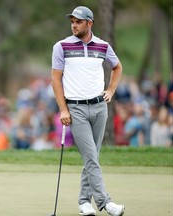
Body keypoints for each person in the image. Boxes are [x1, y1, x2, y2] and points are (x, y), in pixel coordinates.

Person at [51, 6, 124, 216]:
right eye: (72, 21)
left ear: (89, 23)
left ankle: (84, 202)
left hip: (100, 107)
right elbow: (55, 79)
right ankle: (105, 202)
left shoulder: (103, 46)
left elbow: (117, 67)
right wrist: (63, 110)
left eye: (79, 21)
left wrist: (111, 90)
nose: (74, 25)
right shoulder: (61, 46)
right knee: (91, 157)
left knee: (93, 157)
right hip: (76, 109)